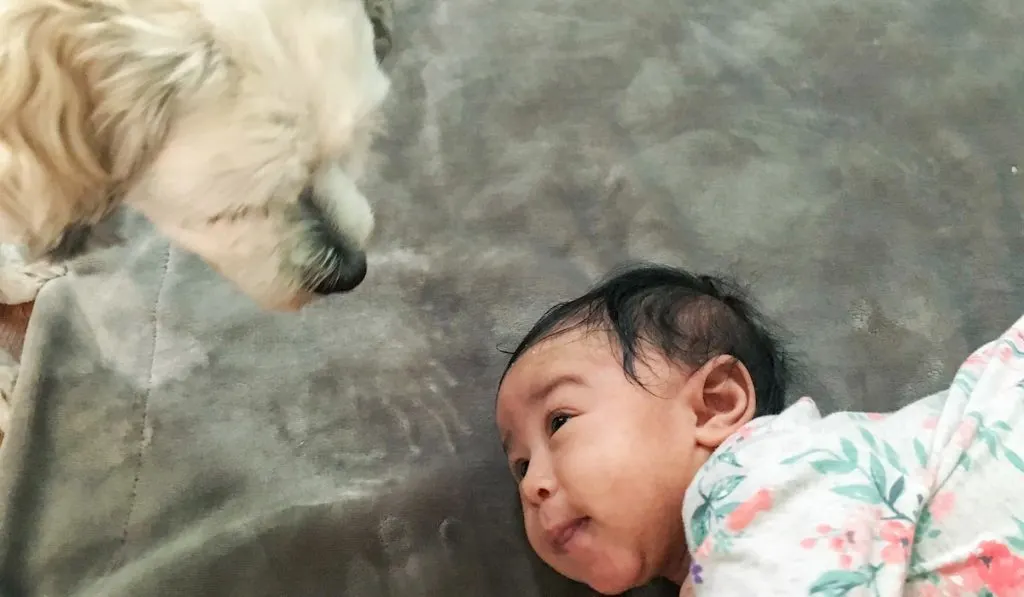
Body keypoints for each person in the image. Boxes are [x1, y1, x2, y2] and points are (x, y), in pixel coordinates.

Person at [495, 263, 1024, 597]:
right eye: (519, 463)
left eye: (560, 421)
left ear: (715, 406)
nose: (531, 485)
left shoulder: (762, 474)